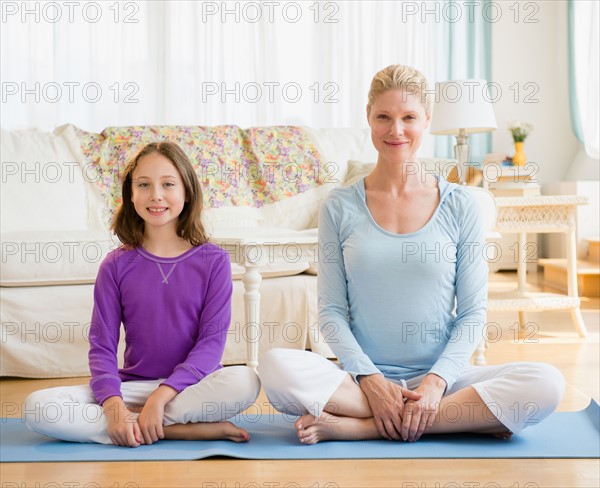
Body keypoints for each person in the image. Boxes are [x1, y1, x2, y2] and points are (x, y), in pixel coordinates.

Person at [258, 65, 565, 444]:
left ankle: (365, 427)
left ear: (427, 121)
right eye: (383, 117)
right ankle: (457, 420)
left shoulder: (461, 205)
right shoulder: (339, 206)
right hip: (360, 381)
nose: (396, 130)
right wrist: (371, 380)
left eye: (409, 118)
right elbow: (332, 313)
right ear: (368, 118)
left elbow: (472, 314)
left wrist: (437, 383)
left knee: (546, 384)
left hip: (443, 383)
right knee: (274, 367)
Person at [25, 141, 260, 446]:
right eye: (144, 185)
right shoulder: (116, 265)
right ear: (131, 195)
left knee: (245, 382)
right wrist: (113, 406)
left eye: (168, 184)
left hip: (193, 386)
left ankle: (142, 422)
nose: (156, 195)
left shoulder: (212, 261)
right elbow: (101, 347)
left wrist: (162, 397)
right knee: (38, 408)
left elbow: (211, 343)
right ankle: (175, 429)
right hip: (133, 387)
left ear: (186, 192)